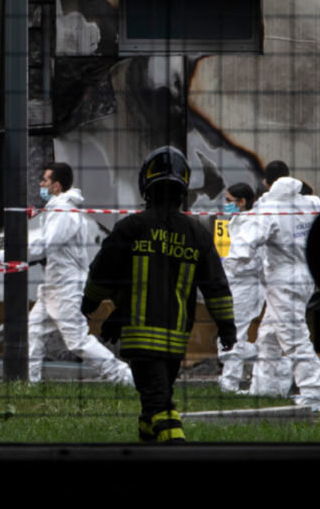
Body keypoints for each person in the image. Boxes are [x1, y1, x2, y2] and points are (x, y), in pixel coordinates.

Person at [83, 147, 236, 442]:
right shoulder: (197, 234)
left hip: (140, 337)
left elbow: (103, 272)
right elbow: (216, 286)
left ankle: (175, 447)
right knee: (156, 394)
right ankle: (148, 441)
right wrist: (226, 327)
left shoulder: (131, 227)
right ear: (183, 189)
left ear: (146, 185)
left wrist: (90, 302)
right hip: (176, 338)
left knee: (159, 402)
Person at [27, 162, 134, 385]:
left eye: (44, 180)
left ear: (56, 186)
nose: (40, 184)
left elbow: (47, 244)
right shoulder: (58, 209)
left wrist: (9, 253)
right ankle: (30, 382)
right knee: (33, 330)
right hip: (54, 287)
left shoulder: (63, 212)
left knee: (77, 341)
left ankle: (124, 377)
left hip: (66, 288)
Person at [247, 160, 320, 411]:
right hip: (305, 277)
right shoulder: (308, 203)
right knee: (268, 336)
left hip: (282, 280)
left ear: (267, 184)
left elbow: (249, 242)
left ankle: (314, 393)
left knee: (293, 337)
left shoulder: (268, 207)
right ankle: (266, 388)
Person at [217, 182, 264, 393]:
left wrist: (222, 268)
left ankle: (229, 383)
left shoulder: (251, 223)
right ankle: (270, 358)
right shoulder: (237, 220)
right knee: (227, 338)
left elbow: (244, 257)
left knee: (235, 335)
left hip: (246, 285)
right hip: (235, 284)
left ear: (242, 202)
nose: (226, 205)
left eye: (229, 201)